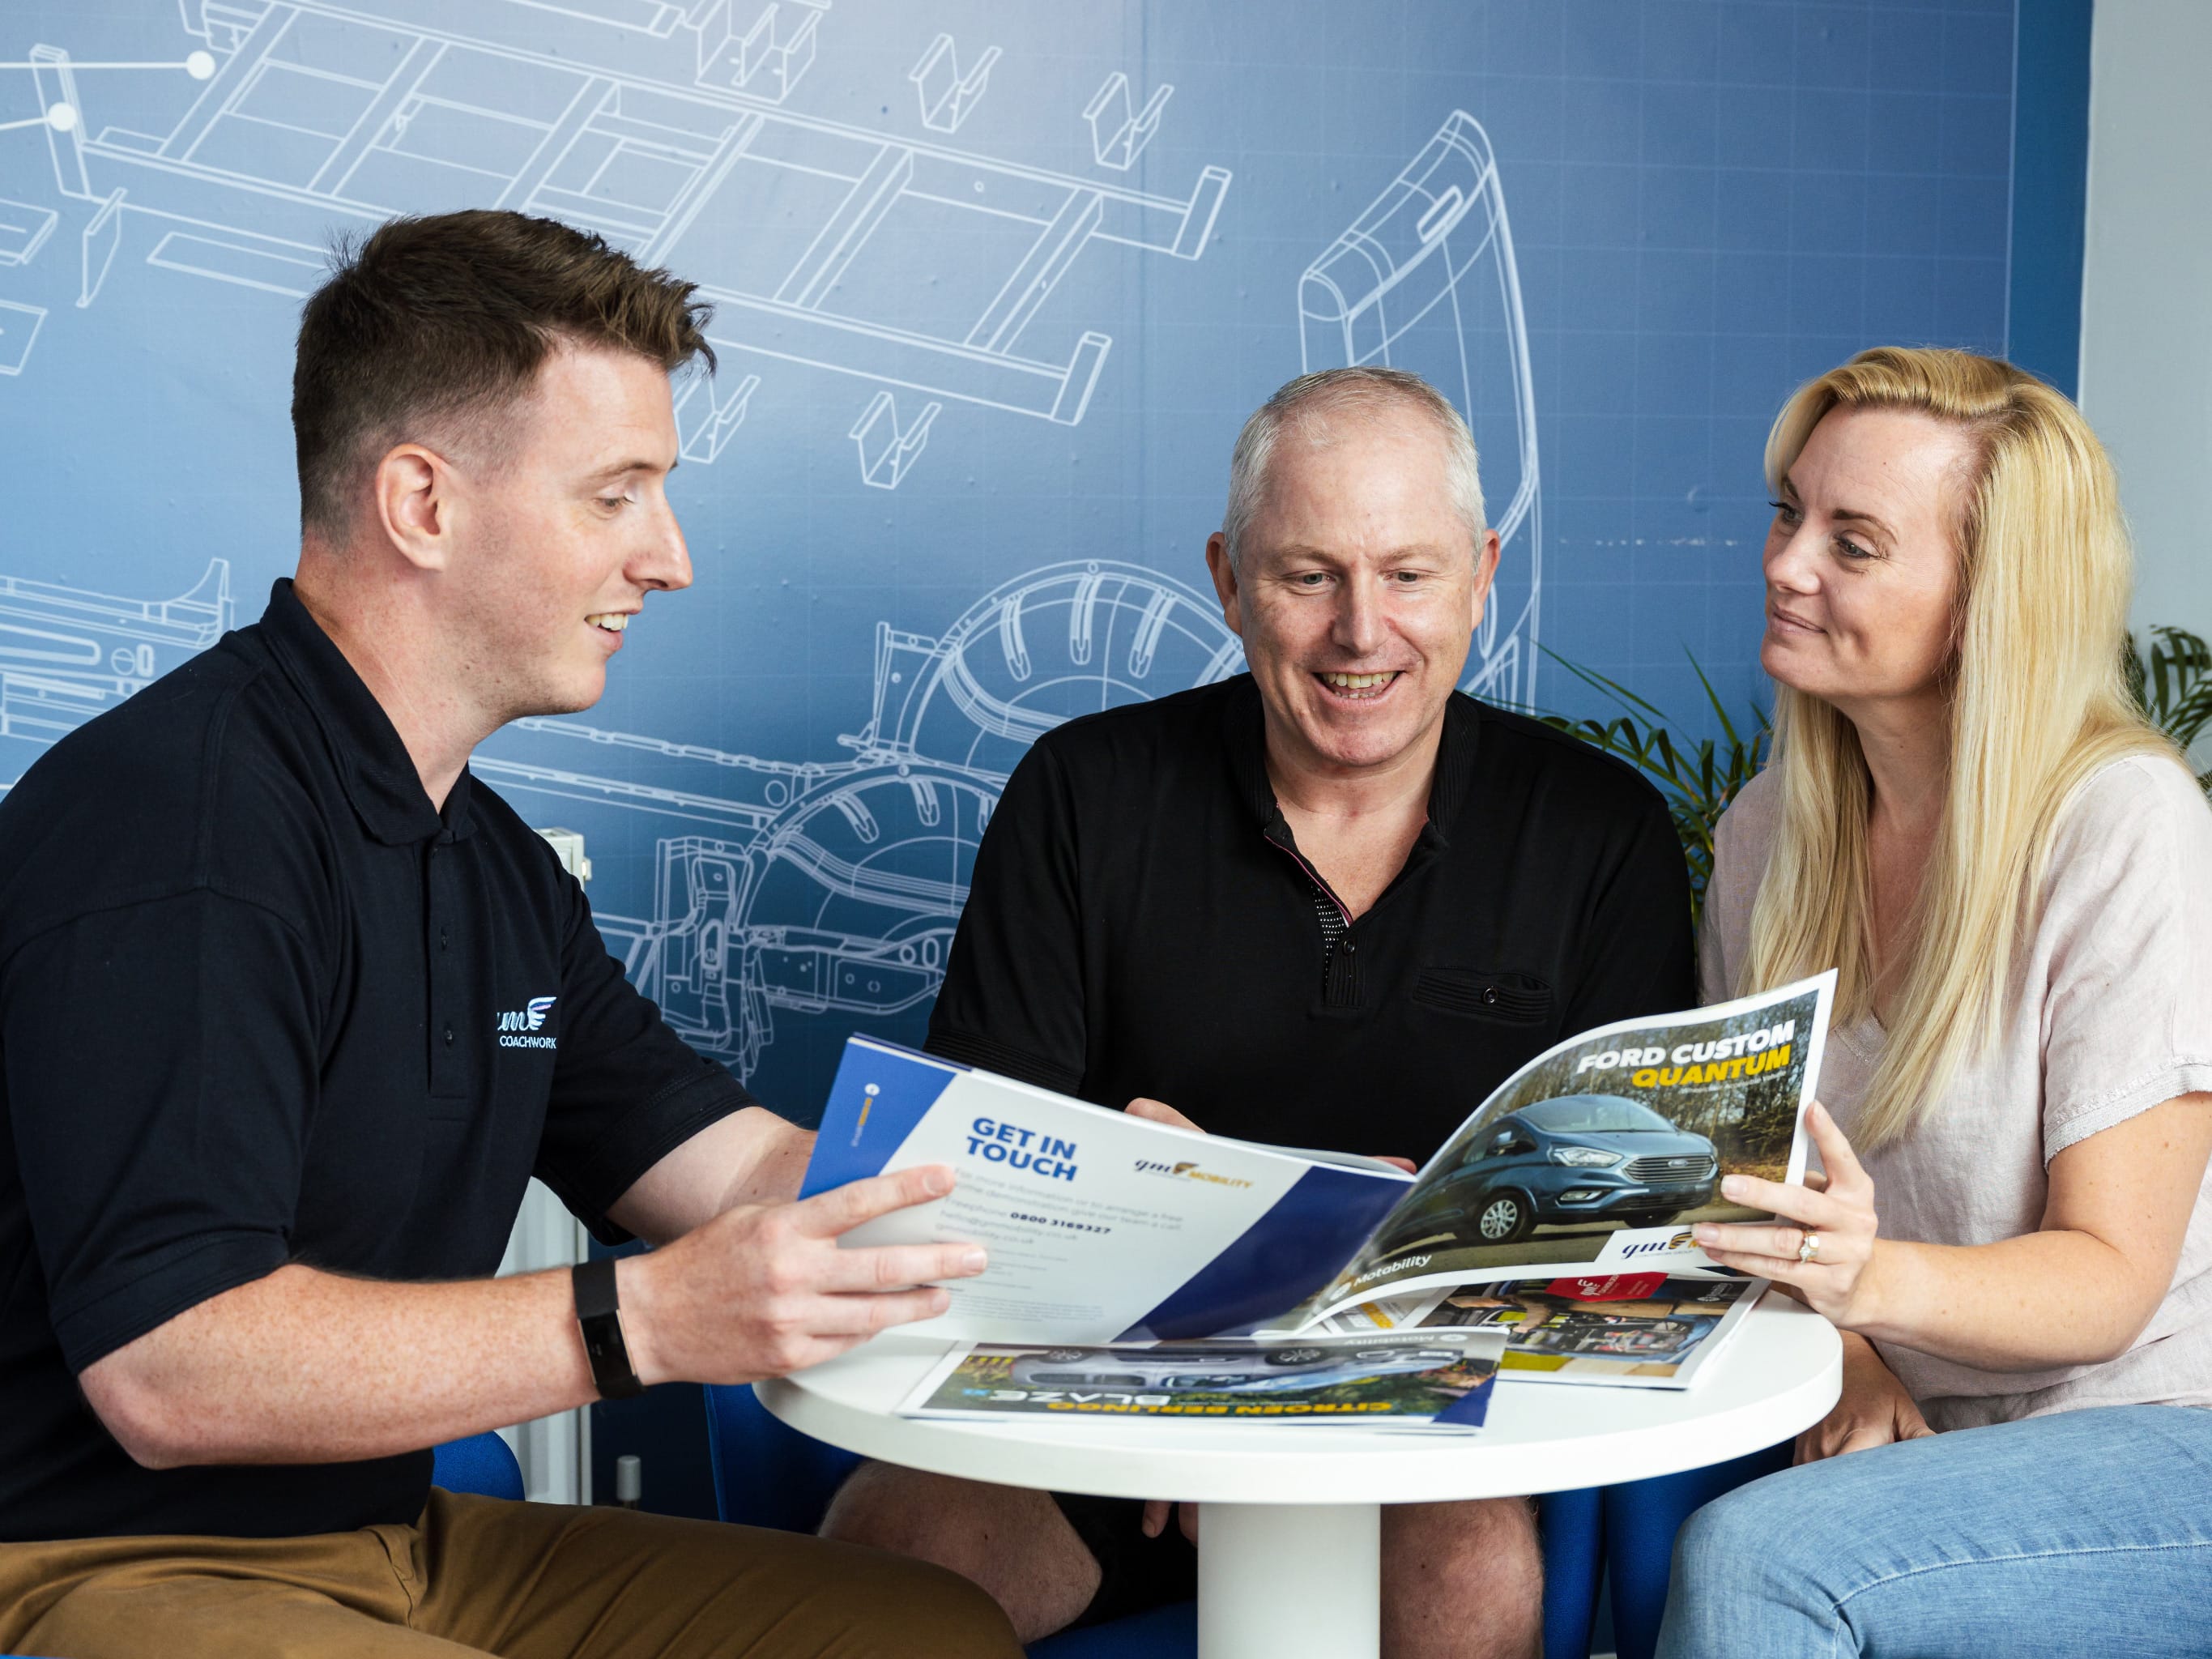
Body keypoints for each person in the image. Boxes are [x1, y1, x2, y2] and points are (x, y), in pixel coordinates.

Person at [0, 210, 1022, 1659]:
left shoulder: (489, 863)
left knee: (930, 1637)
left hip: (388, 1540)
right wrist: (644, 1324)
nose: (668, 559)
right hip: (91, 1559)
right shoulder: (181, 824)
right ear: (423, 504)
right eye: (616, 496)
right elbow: (169, 1371)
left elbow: (735, 1172)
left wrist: (1120, 1207)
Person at [821, 367, 1698, 1658]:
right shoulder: (1085, 793)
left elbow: (1626, 1225)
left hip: (1427, 1421)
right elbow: (974, 1183)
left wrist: (1291, 1374)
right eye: (1308, 576)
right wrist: (1186, 1363)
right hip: (1112, 1401)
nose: (1362, 630)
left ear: (1480, 574)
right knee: (884, 1562)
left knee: (1472, 1578)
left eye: (1408, 573)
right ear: (1231, 581)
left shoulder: (1601, 830)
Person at [1656, 348, 2212, 1657]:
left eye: (1855, 543)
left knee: (1765, 1562)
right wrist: (1850, 1352)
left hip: (2153, 1429)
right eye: (1793, 514)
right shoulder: (1768, 833)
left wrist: (1862, 1286)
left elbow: (2109, 1286)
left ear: (1986, 603)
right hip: (1905, 1411)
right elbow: (1753, 1207)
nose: (1787, 564)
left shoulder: (2123, 828)